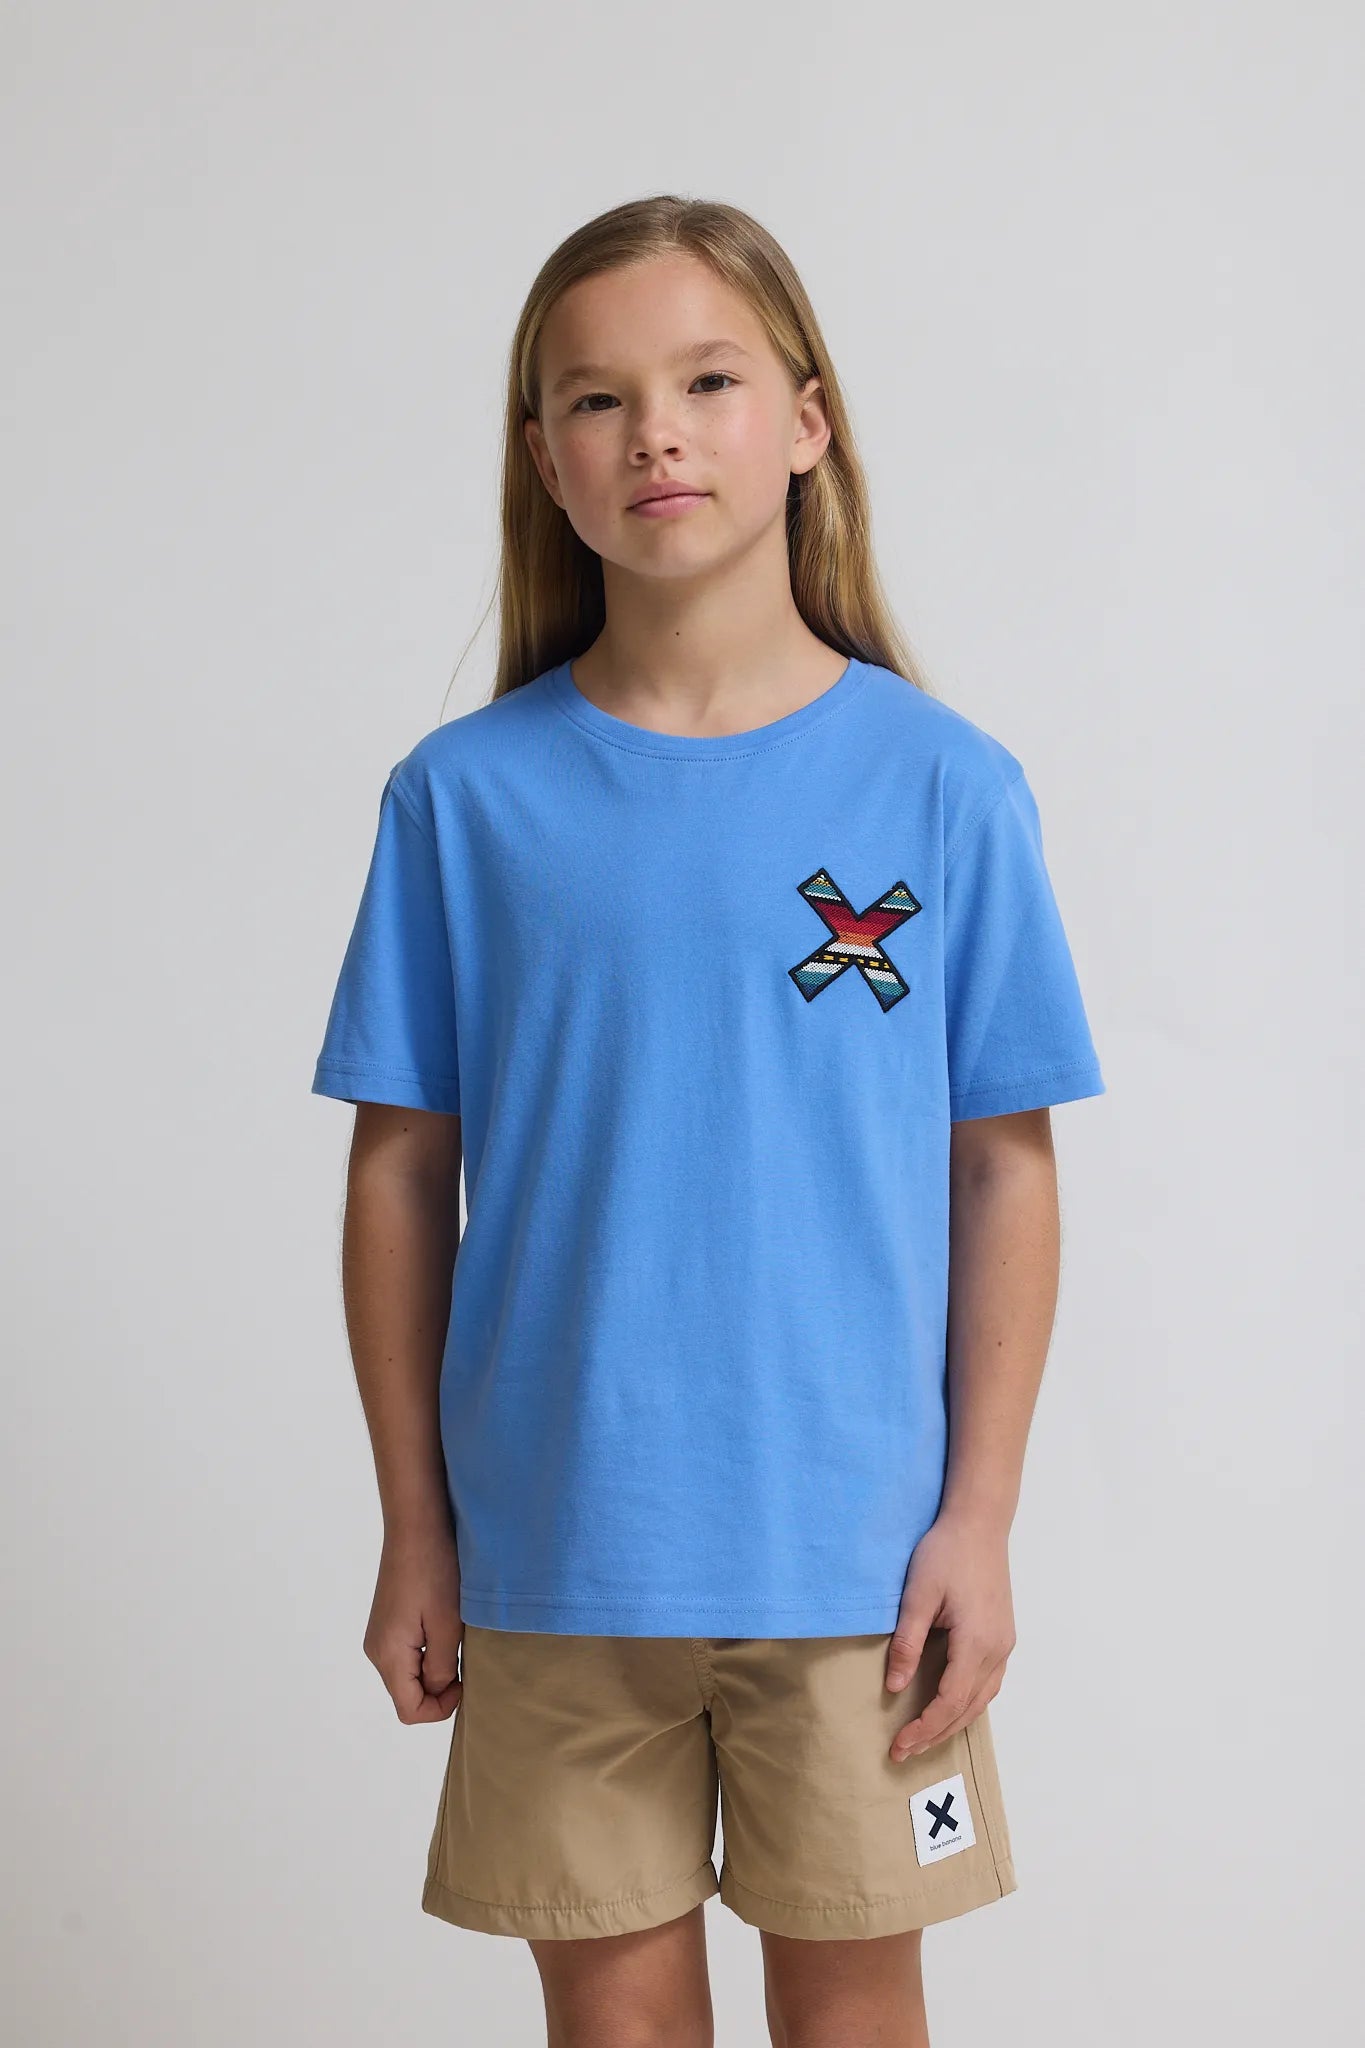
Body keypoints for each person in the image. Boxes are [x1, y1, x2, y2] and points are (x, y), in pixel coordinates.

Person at [310, 193, 1106, 2048]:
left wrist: (978, 1519)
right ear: (546, 462)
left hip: (859, 1567)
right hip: (554, 1555)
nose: (653, 432)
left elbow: (1001, 1165)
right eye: (596, 399)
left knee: (852, 2017)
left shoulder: (944, 787)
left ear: (808, 423)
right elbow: (400, 1176)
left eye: (708, 381)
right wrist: (415, 1522)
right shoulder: (463, 802)